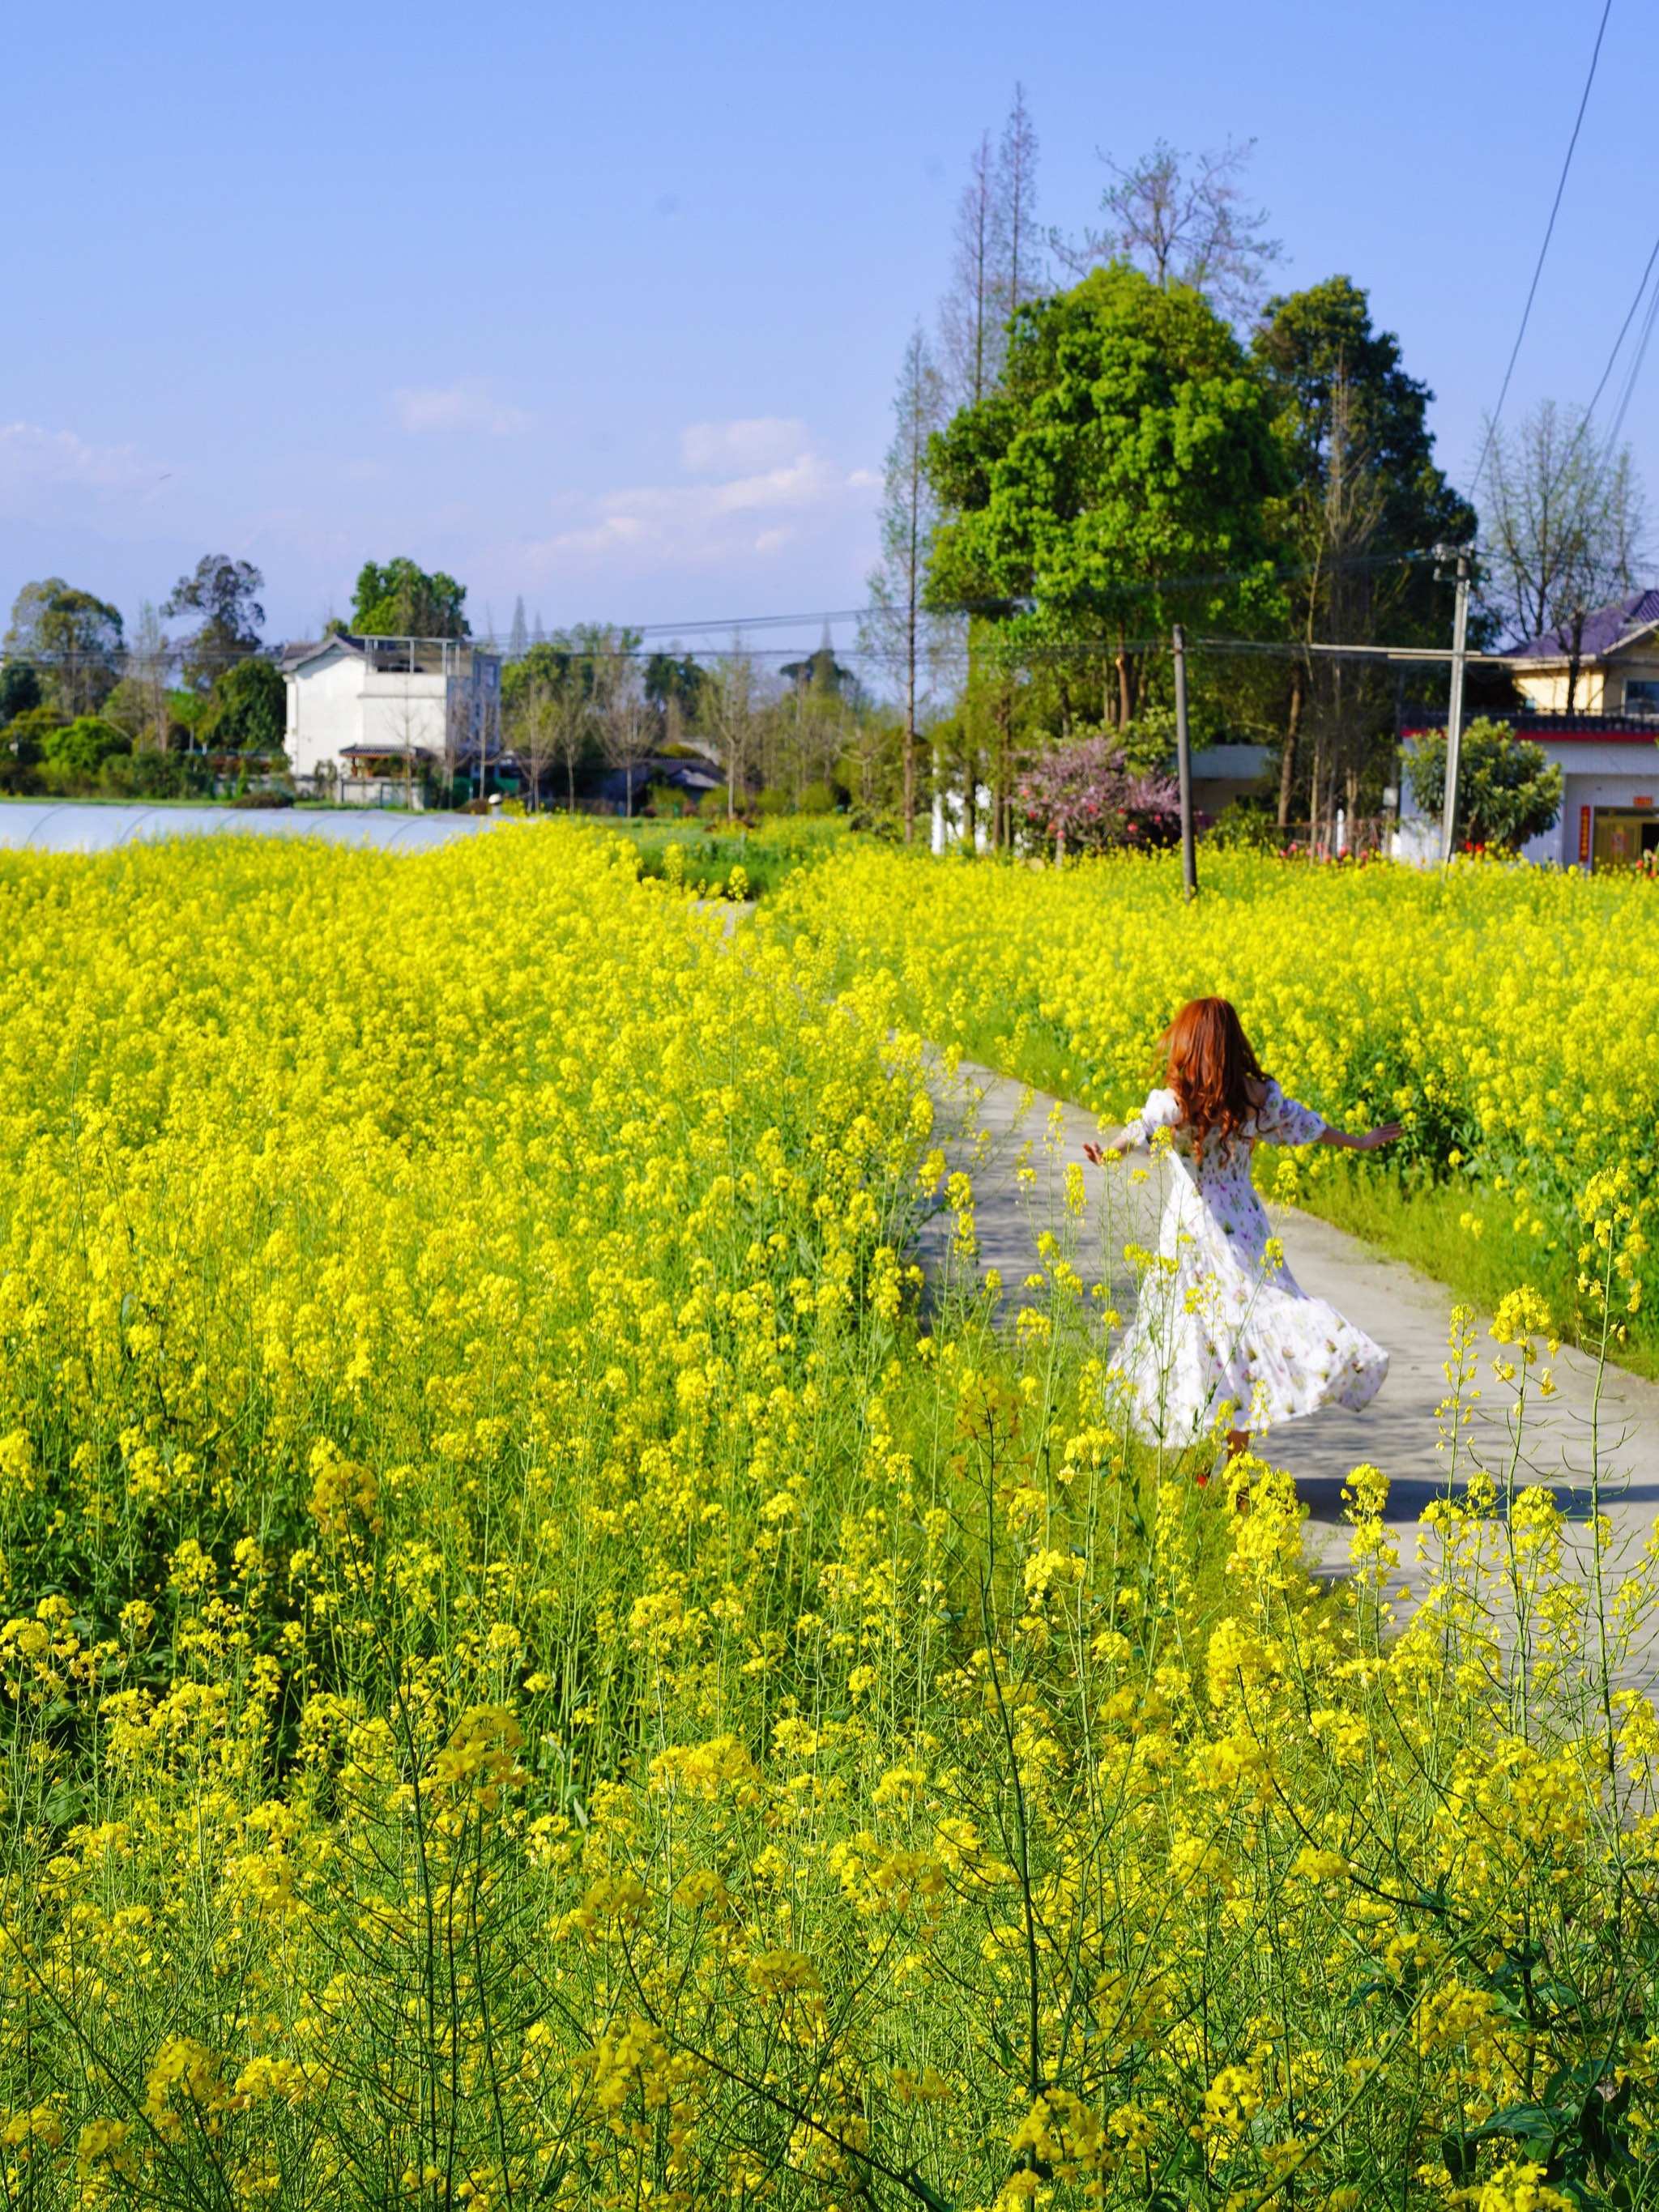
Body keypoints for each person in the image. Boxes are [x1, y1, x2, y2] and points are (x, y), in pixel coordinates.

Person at [1082, 996, 1400, 1469]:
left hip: (1192, 1230)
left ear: (1191, 1045)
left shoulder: (1179, 1101)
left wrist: (1111, 1152)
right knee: (1247, 1328)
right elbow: (1305, 1126)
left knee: (1196, 1335)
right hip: (1246, 1225)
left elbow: (1141, 1129)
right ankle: (1233, 1465)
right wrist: (1358, 1141)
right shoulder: (1256, 1097)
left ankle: (1211, 1470)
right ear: (1231, 1044)